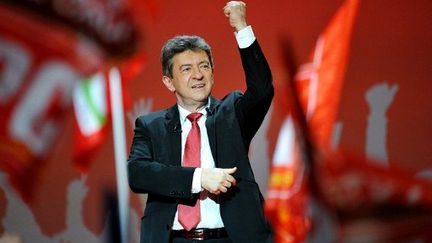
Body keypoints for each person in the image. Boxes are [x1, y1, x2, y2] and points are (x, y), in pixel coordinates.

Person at [127, 1, 273, 242]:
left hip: (229, 238)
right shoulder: (150, 126)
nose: (198, 75)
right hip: (174, 239)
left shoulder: (231, 114)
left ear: (212, 73)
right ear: (169, 82)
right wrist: (199, 178)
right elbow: (138, 173)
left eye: (204, 66)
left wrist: (241, 27)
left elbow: (262, 90)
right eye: (186, 69)